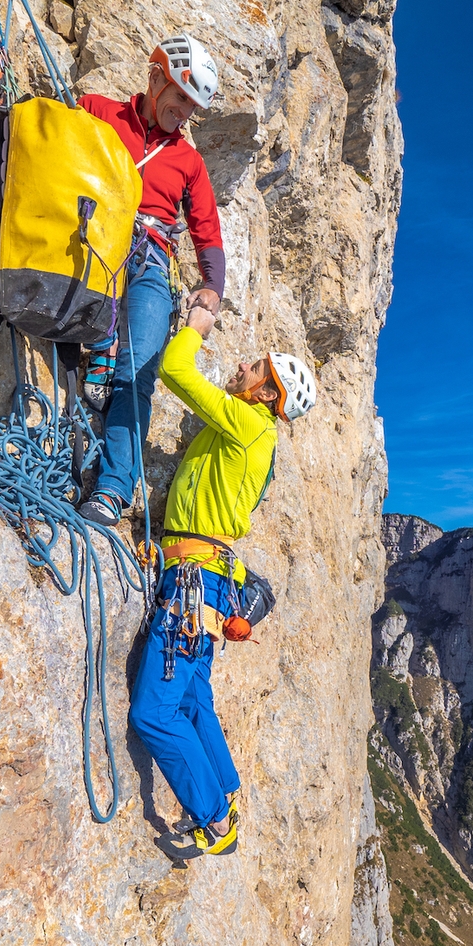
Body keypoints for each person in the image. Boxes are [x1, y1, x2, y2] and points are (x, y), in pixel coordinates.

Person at [128, 303, 318, 856]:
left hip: (195, 582)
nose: (243, 367)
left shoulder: (248, 423)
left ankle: (213, 818)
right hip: (207, 580)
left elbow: (176, 372)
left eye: (256, 368)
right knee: (192, 701)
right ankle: (227, 793)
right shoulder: (254, 434)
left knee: (154, 714)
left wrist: (195, 327)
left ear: (265, 393)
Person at [76, 34, 227, 527]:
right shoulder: (99, 112)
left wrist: (212, 289)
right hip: (96, 242)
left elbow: (207, 230)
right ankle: (100, 342)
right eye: (181, 96)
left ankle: (113, 491)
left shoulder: (189, 162)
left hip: (149, 262)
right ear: (156, 76)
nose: (184, 112)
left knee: (138, 373)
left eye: (193, 106)